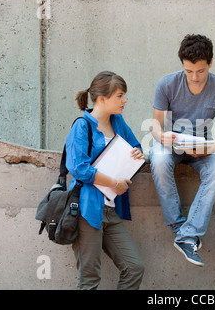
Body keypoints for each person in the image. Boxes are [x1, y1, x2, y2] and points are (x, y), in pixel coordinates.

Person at [149, 34, 215, 266]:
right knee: (157, 158)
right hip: (172, 143)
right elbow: (156, 124)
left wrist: (209, 148)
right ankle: (181, 229)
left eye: (200, 71)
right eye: (189, 71)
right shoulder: (166, 84)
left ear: (210, 63)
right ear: (182, 66)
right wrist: (161, 136)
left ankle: (188, 235)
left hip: (204, 146)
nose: (194, 77)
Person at [65, 71, 145, 289]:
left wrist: (138, 153)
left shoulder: (118, 122)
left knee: (134, 267)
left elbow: (135, 146)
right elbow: (79, 168)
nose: (124, 100)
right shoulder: (82, 126)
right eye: (119, 96)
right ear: (102, 98)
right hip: (87, 210)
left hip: (111, 211)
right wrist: (113, 183)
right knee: (89, 280)